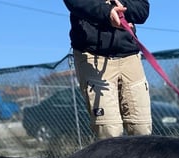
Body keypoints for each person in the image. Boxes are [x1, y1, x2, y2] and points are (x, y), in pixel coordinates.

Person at [64, 0, 152, 138]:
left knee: (142, 130)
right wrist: (108, 12)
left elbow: (142, 10)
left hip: (129, 55)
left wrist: (121, 8)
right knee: (109, 131)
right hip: (92, 55)